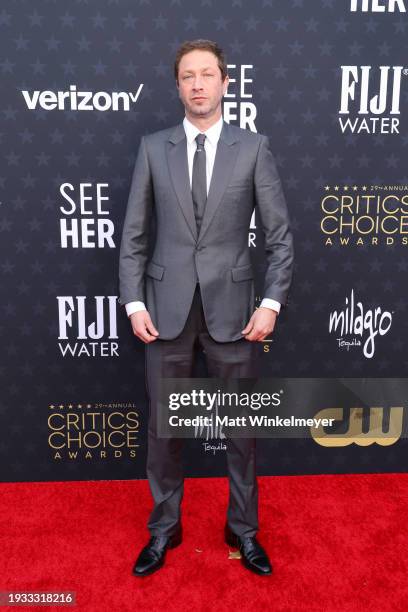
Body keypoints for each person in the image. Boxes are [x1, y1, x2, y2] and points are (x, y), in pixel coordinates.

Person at [118, 39, 294, 577]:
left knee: (241, 432)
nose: (198, 84)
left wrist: (270, 303)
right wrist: (132, 304)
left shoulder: (254, 147)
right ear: (178, 86)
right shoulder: (153, 148)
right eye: (188, 76)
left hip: (236, 312)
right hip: (164, 310)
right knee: (164, 432)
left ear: (224, 83)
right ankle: (163, 530)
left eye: (207, 74)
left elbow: (280, 238)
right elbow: (134, 238)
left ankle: (244, 531)